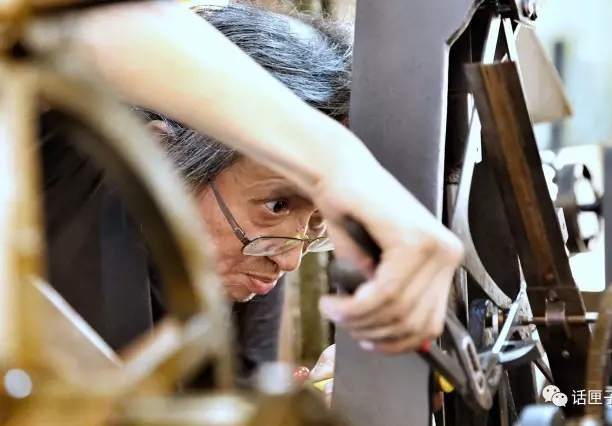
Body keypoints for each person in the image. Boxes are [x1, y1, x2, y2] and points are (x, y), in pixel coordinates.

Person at [29, 0, 463, 360]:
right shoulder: (56, 162)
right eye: (278, 204)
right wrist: (333, 159)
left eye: (317, 224)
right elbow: (96, 19)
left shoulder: (255, 250)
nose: (290, 261)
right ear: (160, 156)